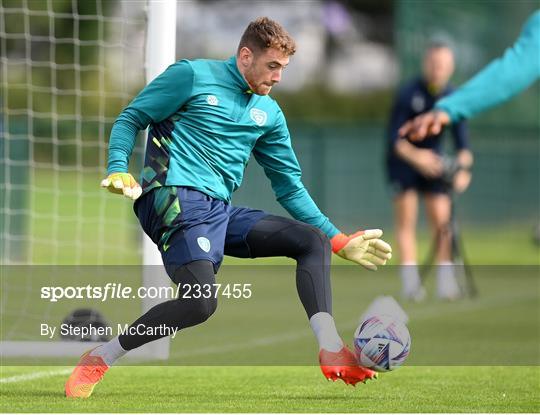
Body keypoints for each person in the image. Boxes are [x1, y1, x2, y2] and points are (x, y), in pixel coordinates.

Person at [65, 17, 392, 398]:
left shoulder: (269, 114)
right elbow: (131, 118)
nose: (278, 77)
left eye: (283, 69)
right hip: (172, 198)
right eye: (273, 66)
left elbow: (289, 188)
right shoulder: (191, 75)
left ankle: (331, 346)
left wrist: (338, 240)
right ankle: (100, 359)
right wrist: (118, 166)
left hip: (216, 211)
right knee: (201, 303)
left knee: (311, 241)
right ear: (245, 55)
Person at [387, 43, 473, 301]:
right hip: (404, 164)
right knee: (407, 221)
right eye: (434, 64)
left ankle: (446, 283)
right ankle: (411, 284)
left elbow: (464, 148)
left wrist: (462, 171)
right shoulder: (408, 93)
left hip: (436, 167)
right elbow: (394, 140)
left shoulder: (453, 98)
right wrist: (418, 157)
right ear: (426, 64)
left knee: (443, 222)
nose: (438, 70)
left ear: (451, 67)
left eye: (443, 65)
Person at [398, 10, 540, 141]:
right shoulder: (408, 92)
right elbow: (515, 69)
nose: (437, 69)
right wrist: (450, 107)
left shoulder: (449, 93)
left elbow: (515, 70)